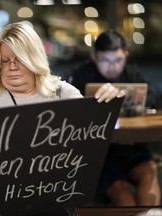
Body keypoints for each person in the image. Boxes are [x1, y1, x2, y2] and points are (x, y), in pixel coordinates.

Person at [0, 22, 124, 215]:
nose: (12, 67)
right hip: (0, 200)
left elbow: (90, 138)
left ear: (33, 59)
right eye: (5, 61)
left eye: (19, 60)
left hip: (52, 198)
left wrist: (107, 103)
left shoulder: (61, 92)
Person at [64, 30, 162, 206]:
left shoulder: (132, 72)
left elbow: (154, 99)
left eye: (118, 60)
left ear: (126, 55)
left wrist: (130, 97)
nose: (112, 67)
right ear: (95, 56)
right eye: (105, 60)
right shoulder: (79, 75)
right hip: (98, 150)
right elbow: (65, 109)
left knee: (150, 169)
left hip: (130, 146)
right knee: (120, 189)